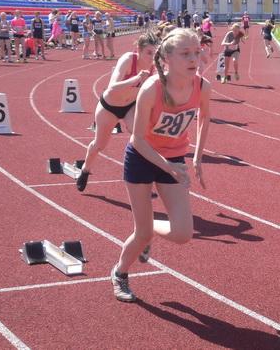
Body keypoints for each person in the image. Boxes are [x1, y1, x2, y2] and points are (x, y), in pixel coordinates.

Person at [111, 28, 211, 302]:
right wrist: (167, 165)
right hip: (142, 159)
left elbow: (204, 119)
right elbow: (138, 139)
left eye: (196, 52)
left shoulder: (202, 86)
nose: (194, 59)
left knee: (182, 233)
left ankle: (149, 230)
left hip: (174, 159)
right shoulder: (151, 89)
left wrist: (198, 157)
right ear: (166, 58)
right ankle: (120, 273)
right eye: (186, 54)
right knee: (139, 232)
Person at [76, 31, 159, 192]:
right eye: (149, 53)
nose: (152, 57)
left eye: (155, 53)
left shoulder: (155, 67)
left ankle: (142, 180)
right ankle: (86, 169)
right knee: (99, 145)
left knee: (142, 138)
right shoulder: (128, 59)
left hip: (131, 106)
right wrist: (136, 79)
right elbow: (112, 87)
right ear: (139, 51)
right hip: (110, 106)